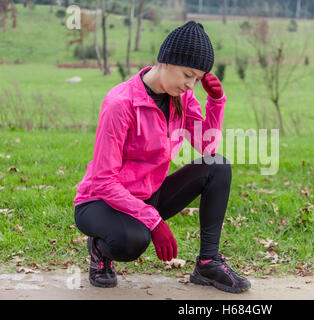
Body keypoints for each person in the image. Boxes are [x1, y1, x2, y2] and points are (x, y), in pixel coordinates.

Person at [73, 21, 251, 294]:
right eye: (187, 74)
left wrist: (216, 102)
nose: (191, 84)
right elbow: (102, 180)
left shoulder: (182, 97)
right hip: (100, 202)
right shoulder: (121, 103)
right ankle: (99, 249)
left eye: (197, 79)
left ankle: (208, 263)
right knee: (133, 240)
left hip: (147, 195)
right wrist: (153, 221)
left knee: (218, 166)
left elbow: (207, 148)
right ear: (166, 61)